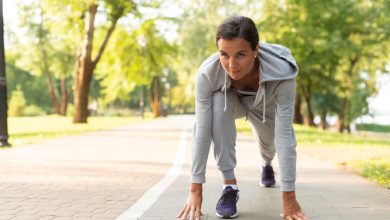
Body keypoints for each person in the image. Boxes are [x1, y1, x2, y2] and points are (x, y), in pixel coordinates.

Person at [177, 16, 308, 220]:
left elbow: (285, 136)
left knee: (270, 145)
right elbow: (202, 130)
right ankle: (229, 186)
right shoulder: (207, 75)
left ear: (256, 50)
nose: (232, 65)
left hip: (266, 106)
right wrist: (195, 189)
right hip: (233, 102)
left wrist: (289, 196)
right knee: (219, 100)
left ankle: (266, 164)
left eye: (240, 54)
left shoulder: (283, 74)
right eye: (224, 54)